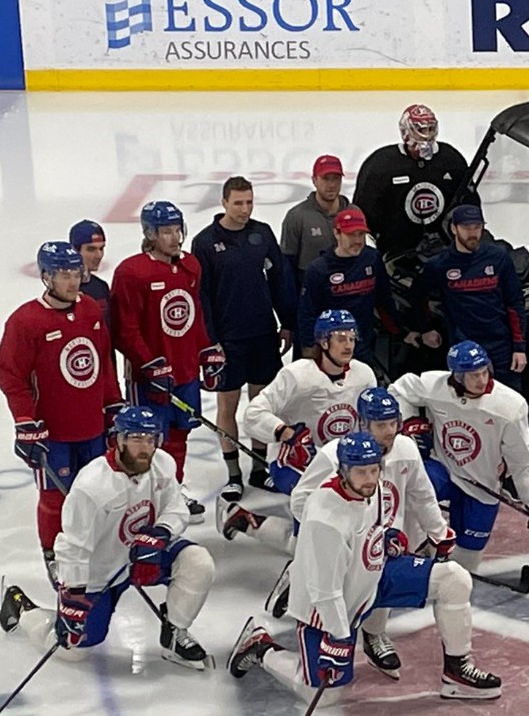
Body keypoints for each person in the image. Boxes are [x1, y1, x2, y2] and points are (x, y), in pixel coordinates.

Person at [229, 433, 502, 702]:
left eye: (374, 470)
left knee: (454, 580)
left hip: (372, 577)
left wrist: (386, 539)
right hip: (329, 606)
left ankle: (457, 671)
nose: (370, 478)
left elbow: (373, 525)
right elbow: (325, 591)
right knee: (324, 695)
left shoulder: (374, 487)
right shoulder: (324, 520)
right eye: (361, 472)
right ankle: (261, 646)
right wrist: (338, 636)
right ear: (342, 471)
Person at [0, 406, 217, 671]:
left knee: (198, 563)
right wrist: (74, 597)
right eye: (137, 439)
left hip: (142, 558)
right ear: (119, 440)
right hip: (99, 573)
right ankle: (22, 608)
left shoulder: (163, 464)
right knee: (74, 651)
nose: (146, 447)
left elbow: (176, 507)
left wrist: (161, 532)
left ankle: (175, 635)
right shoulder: (91, 486)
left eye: (151, 439)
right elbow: (72, 547)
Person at [260, 388, 451, 679]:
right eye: (380, 425)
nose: (389, 432)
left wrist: (437, 532)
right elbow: (301, 501)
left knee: (376, 580)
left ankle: (374, 635)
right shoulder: (333, 456)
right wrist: (323, 538)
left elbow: (422, 496)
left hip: (377, 542)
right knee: (326, 685)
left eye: (393, 423)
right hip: (338, 547)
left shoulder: (406, 449)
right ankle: (261, 646)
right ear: (363, 423)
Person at [0, 241, 123, 584]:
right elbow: (11, 375)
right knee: (54, 499)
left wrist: (113, 405)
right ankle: (53, 554)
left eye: (76, 273)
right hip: (53, 433)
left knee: (98, 493)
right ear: (47, 277)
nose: (73, 281)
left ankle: (96, 547)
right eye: (64, 274)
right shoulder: (25, 321)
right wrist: (24, 421)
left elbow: (103, 363)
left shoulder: (91, 311)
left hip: (92, 427)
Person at [387, 340, 529, 572]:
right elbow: (399, 390)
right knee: (408, 487)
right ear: (456, 376)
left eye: (484, 372)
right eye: (473, 375)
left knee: (468, 557)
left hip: (482, 486)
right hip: (443, 470)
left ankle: (453, 575)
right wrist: (410, 422)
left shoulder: (510, 406)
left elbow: (522, 463)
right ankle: (414, 551)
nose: (482, 380)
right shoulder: (435, 386)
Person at [218, 310, 376, 546]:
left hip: (343, 460)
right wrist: (284, 432)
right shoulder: (297, 375)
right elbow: (254, 414)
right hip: (292, 462)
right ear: (323, 342)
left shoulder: (363, 374)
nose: (348, 345)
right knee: (316, 528)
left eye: (352, 338)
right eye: (341, 338)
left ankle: (243, 519)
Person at [111, 200, 221, 523]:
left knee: (179, 435)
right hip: (150, 378)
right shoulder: (132, 272)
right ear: (149, 233)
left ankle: (172, 488)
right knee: (145, 437)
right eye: (166, 231)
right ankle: (143, 499)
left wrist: (206, 351)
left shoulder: (191, 267)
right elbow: (124, 330)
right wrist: (148, 364)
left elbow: (194, 316)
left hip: (185, 372)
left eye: (177, 230)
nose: (174, 238)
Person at [191, 175, 297, 495]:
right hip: (228, 340)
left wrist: (287, 322)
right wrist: (210, 342)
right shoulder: (205, 242)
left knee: (261, 405)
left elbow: (279, 280)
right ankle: (234, 474)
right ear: (224, 202)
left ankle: (259, 468)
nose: (245, 209)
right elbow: (202, 296)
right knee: (228, 407)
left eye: (249, 202)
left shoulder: (262, 233)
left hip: (263, 334)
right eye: (238, 203)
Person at [408, 205, 527, 391]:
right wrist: (425, 328)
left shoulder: (498, 258)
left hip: (500, 346)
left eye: (477, 227)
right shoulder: (439, 264)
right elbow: (417, 295)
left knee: (509, 403)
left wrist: (519, 347)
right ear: (454, 229)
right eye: (467, 228)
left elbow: (515, 303)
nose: (473, 233)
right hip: (463, 347)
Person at [353, 104, 474, 260]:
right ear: (405, 132)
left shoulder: (451, 159)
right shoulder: (380, 164)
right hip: (395, 255)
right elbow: (363, 212)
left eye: (430, 129)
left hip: (445, 252)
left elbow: (469, 202)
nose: (427, 135)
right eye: (422, 130)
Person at [296, 205, 415, 365]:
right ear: (337, 233)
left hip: (364, 342)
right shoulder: (319, 269)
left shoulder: (372, 258)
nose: (358, 241)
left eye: (361, 234)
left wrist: (401, 331)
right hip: (332, 349)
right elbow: (307, 313)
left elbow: (384, 299)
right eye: (351, 235)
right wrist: (310, 347)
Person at [281, 154, 350, 292]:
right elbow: (287, 265)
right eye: (325, 178)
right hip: (312, 295)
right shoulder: (297, 216)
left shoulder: (353, 213)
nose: (331, 185)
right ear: (314, 180)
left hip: (349, 293)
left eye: (336, 179)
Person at [69, 219, 111, 322]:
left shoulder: (101, 286)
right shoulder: (63, 290)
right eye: (91, 249)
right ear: (74, 250)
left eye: (101, 249)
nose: (99, 255)